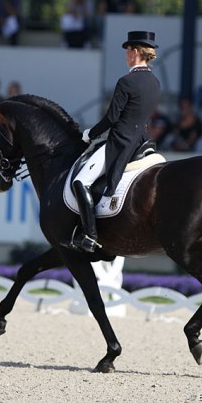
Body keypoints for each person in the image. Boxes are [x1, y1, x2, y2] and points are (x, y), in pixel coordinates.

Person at [70, 31, 161, 252]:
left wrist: (90, 134)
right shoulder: (155, 82)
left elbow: (112, 118)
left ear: (136, 52)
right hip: (142, 140)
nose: (126, 55)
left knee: (80, 182)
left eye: (128, 51)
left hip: (120, 142)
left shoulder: (127, 81)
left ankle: (90, 236)